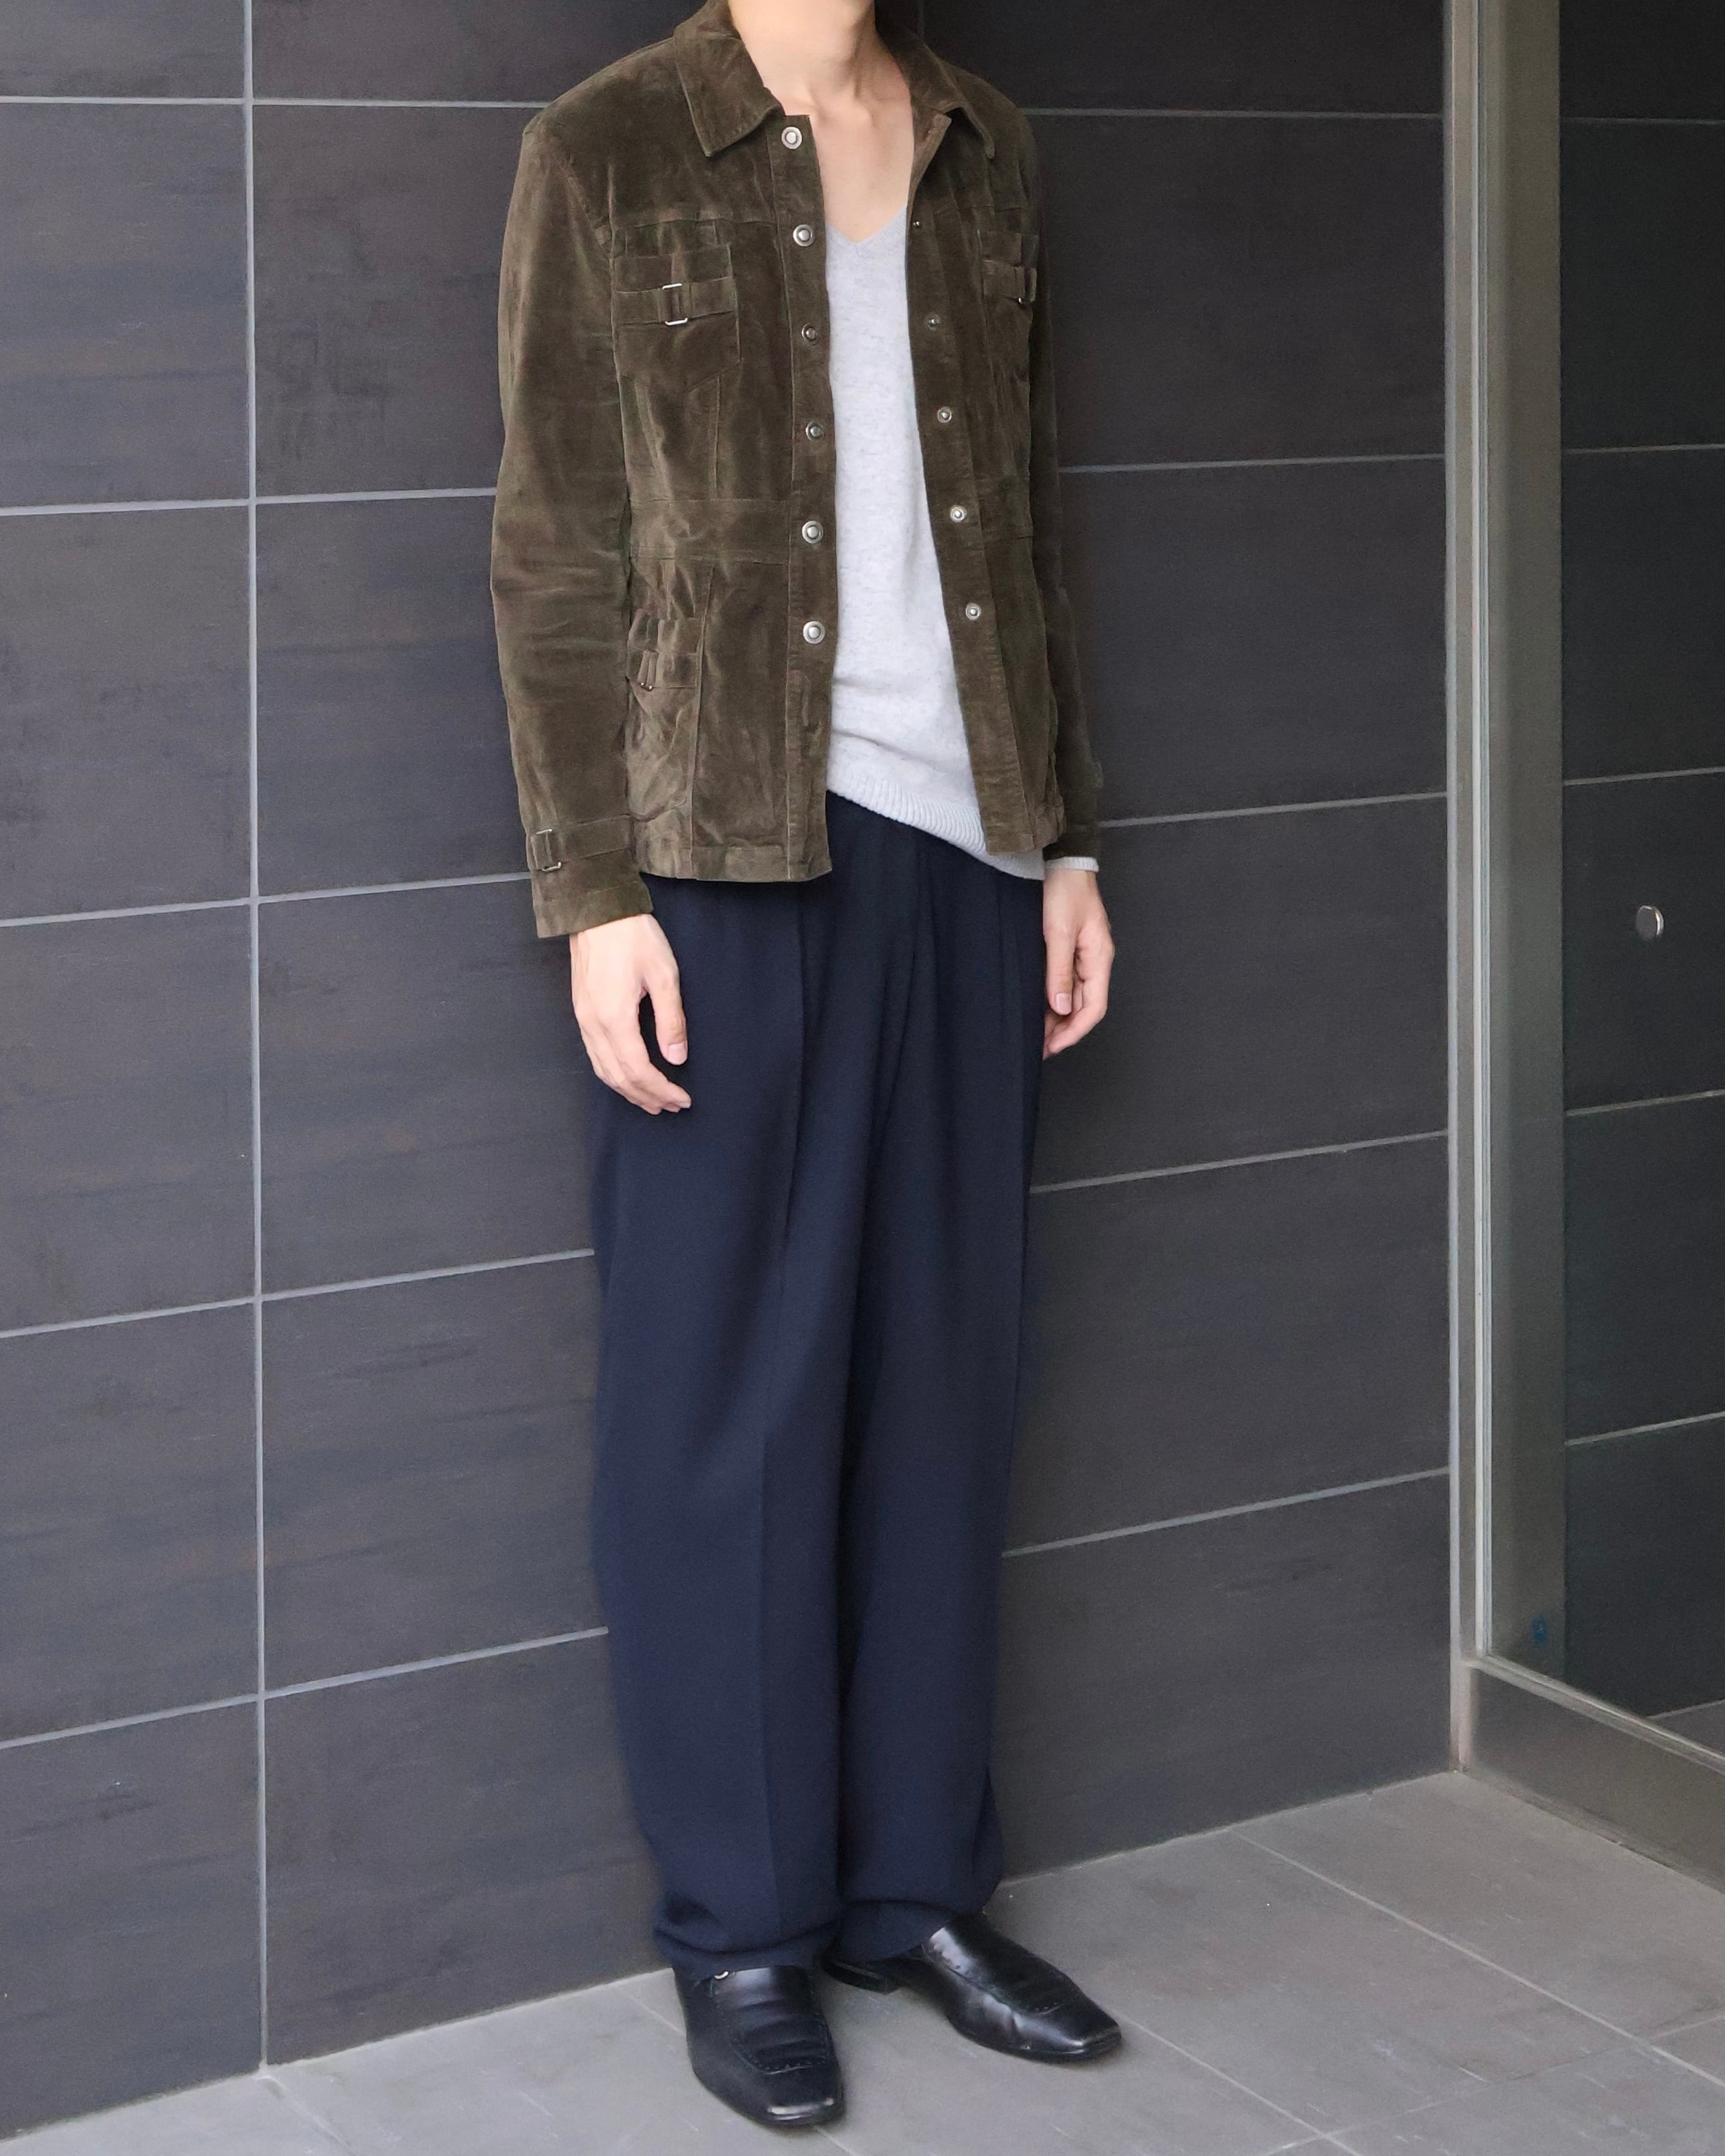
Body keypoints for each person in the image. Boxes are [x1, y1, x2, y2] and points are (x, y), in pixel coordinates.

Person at [492, 0, 1117, 2129]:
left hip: (972, 849)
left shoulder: (981, 142)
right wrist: (593, 894)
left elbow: (1025, 519)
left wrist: (1065, 839)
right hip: (725, 864)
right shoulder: (606, 146)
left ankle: (912, 1893)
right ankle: (745, 1929)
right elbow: (555, 552)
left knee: (943, 1386)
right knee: (731, 1411)